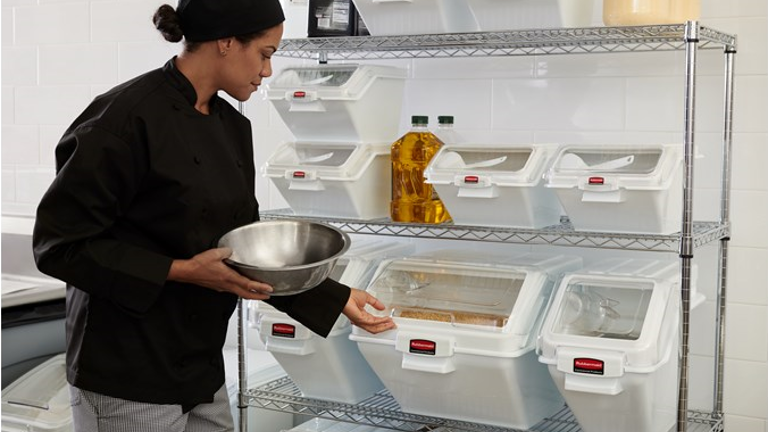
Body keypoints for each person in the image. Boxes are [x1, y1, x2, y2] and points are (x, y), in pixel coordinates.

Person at [31, 1, 395, 431]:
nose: (267, 72)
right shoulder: (123, 118)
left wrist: (334, 296)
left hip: (200, 367)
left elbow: (243, 250)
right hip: (127, 371)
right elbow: (60, 247)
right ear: (226, 42)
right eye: (265, 53)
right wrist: (182, 271)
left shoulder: (230, 125)